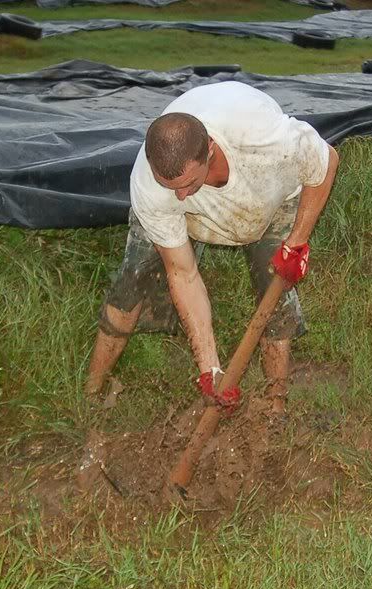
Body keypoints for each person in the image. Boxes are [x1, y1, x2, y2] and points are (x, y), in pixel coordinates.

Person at [85, 81, 339, 415]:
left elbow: (326, 162)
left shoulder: (266, 142)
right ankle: (91, 393)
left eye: (188, 184)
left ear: (210, 150)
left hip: (270, 198)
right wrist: (210, 369)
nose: (179, 195)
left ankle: (275, 403)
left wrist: (297, 243)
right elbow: (183, 272)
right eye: (170, 187)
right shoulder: (151, 186)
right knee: (132, 284)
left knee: (273, 293)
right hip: (197, 217)